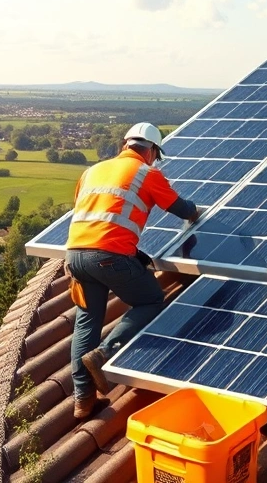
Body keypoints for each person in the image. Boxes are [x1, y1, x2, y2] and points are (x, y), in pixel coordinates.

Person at [66, 122, 202, 419]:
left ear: (124, 145)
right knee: (151, 299)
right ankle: (106, 352)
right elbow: (180, 208)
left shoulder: (92, 171)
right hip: (109, 256)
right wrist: (197, 214)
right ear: (151, 150)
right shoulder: (146, 173)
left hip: (75, 257)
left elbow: (92, 212)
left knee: (86, 322)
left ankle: (83, 401)